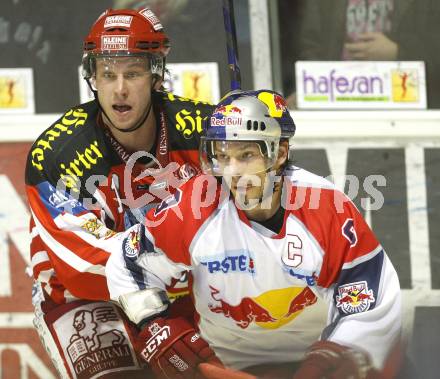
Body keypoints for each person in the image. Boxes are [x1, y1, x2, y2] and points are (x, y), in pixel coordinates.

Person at [106, 89, 403, 378]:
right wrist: (157, 326)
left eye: (246, 155)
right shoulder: (195, 204)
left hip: (314, 361)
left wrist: (336, 353)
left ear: (280, 153)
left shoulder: (326, 207)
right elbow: (128, 262)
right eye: (222, 155)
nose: (233, 171)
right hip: (224, 366)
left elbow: (370, 299)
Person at [24, 7, 214, 378]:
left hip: (184, 292)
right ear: (91, 76)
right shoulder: (59, 154)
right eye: (107, 74)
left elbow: (256, 195)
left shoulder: (203, 131)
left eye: (133, 73)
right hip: (83, 299)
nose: (119, 88)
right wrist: (152, 318)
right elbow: (82, 266)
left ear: (157, 74)